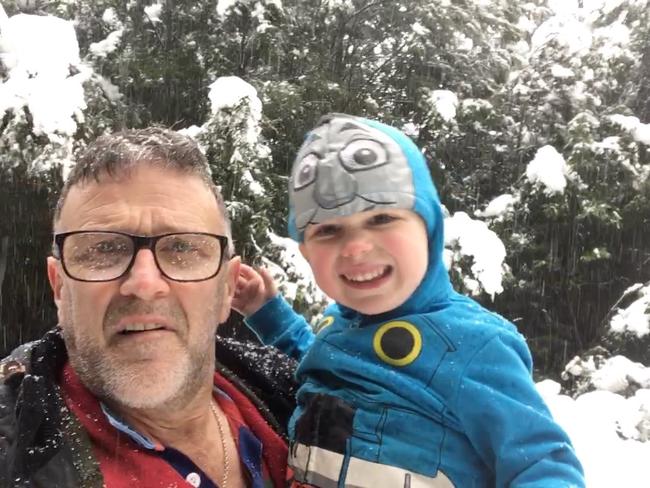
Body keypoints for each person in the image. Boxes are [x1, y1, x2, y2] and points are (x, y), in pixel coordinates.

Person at [232, 113, 586, 487]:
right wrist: (268, 313)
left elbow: (542, 464)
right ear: (306, 251)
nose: (355, 247)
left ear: (429, 227)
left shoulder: (474, 345)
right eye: (329, 230)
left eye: (382, 218)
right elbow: (320, 362)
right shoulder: (338, 325)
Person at [0, 127, 297, 488]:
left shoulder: (305, 404)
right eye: (104, 249)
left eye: (183, 248)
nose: (144, 284)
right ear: (60, 286)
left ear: (227, 289)